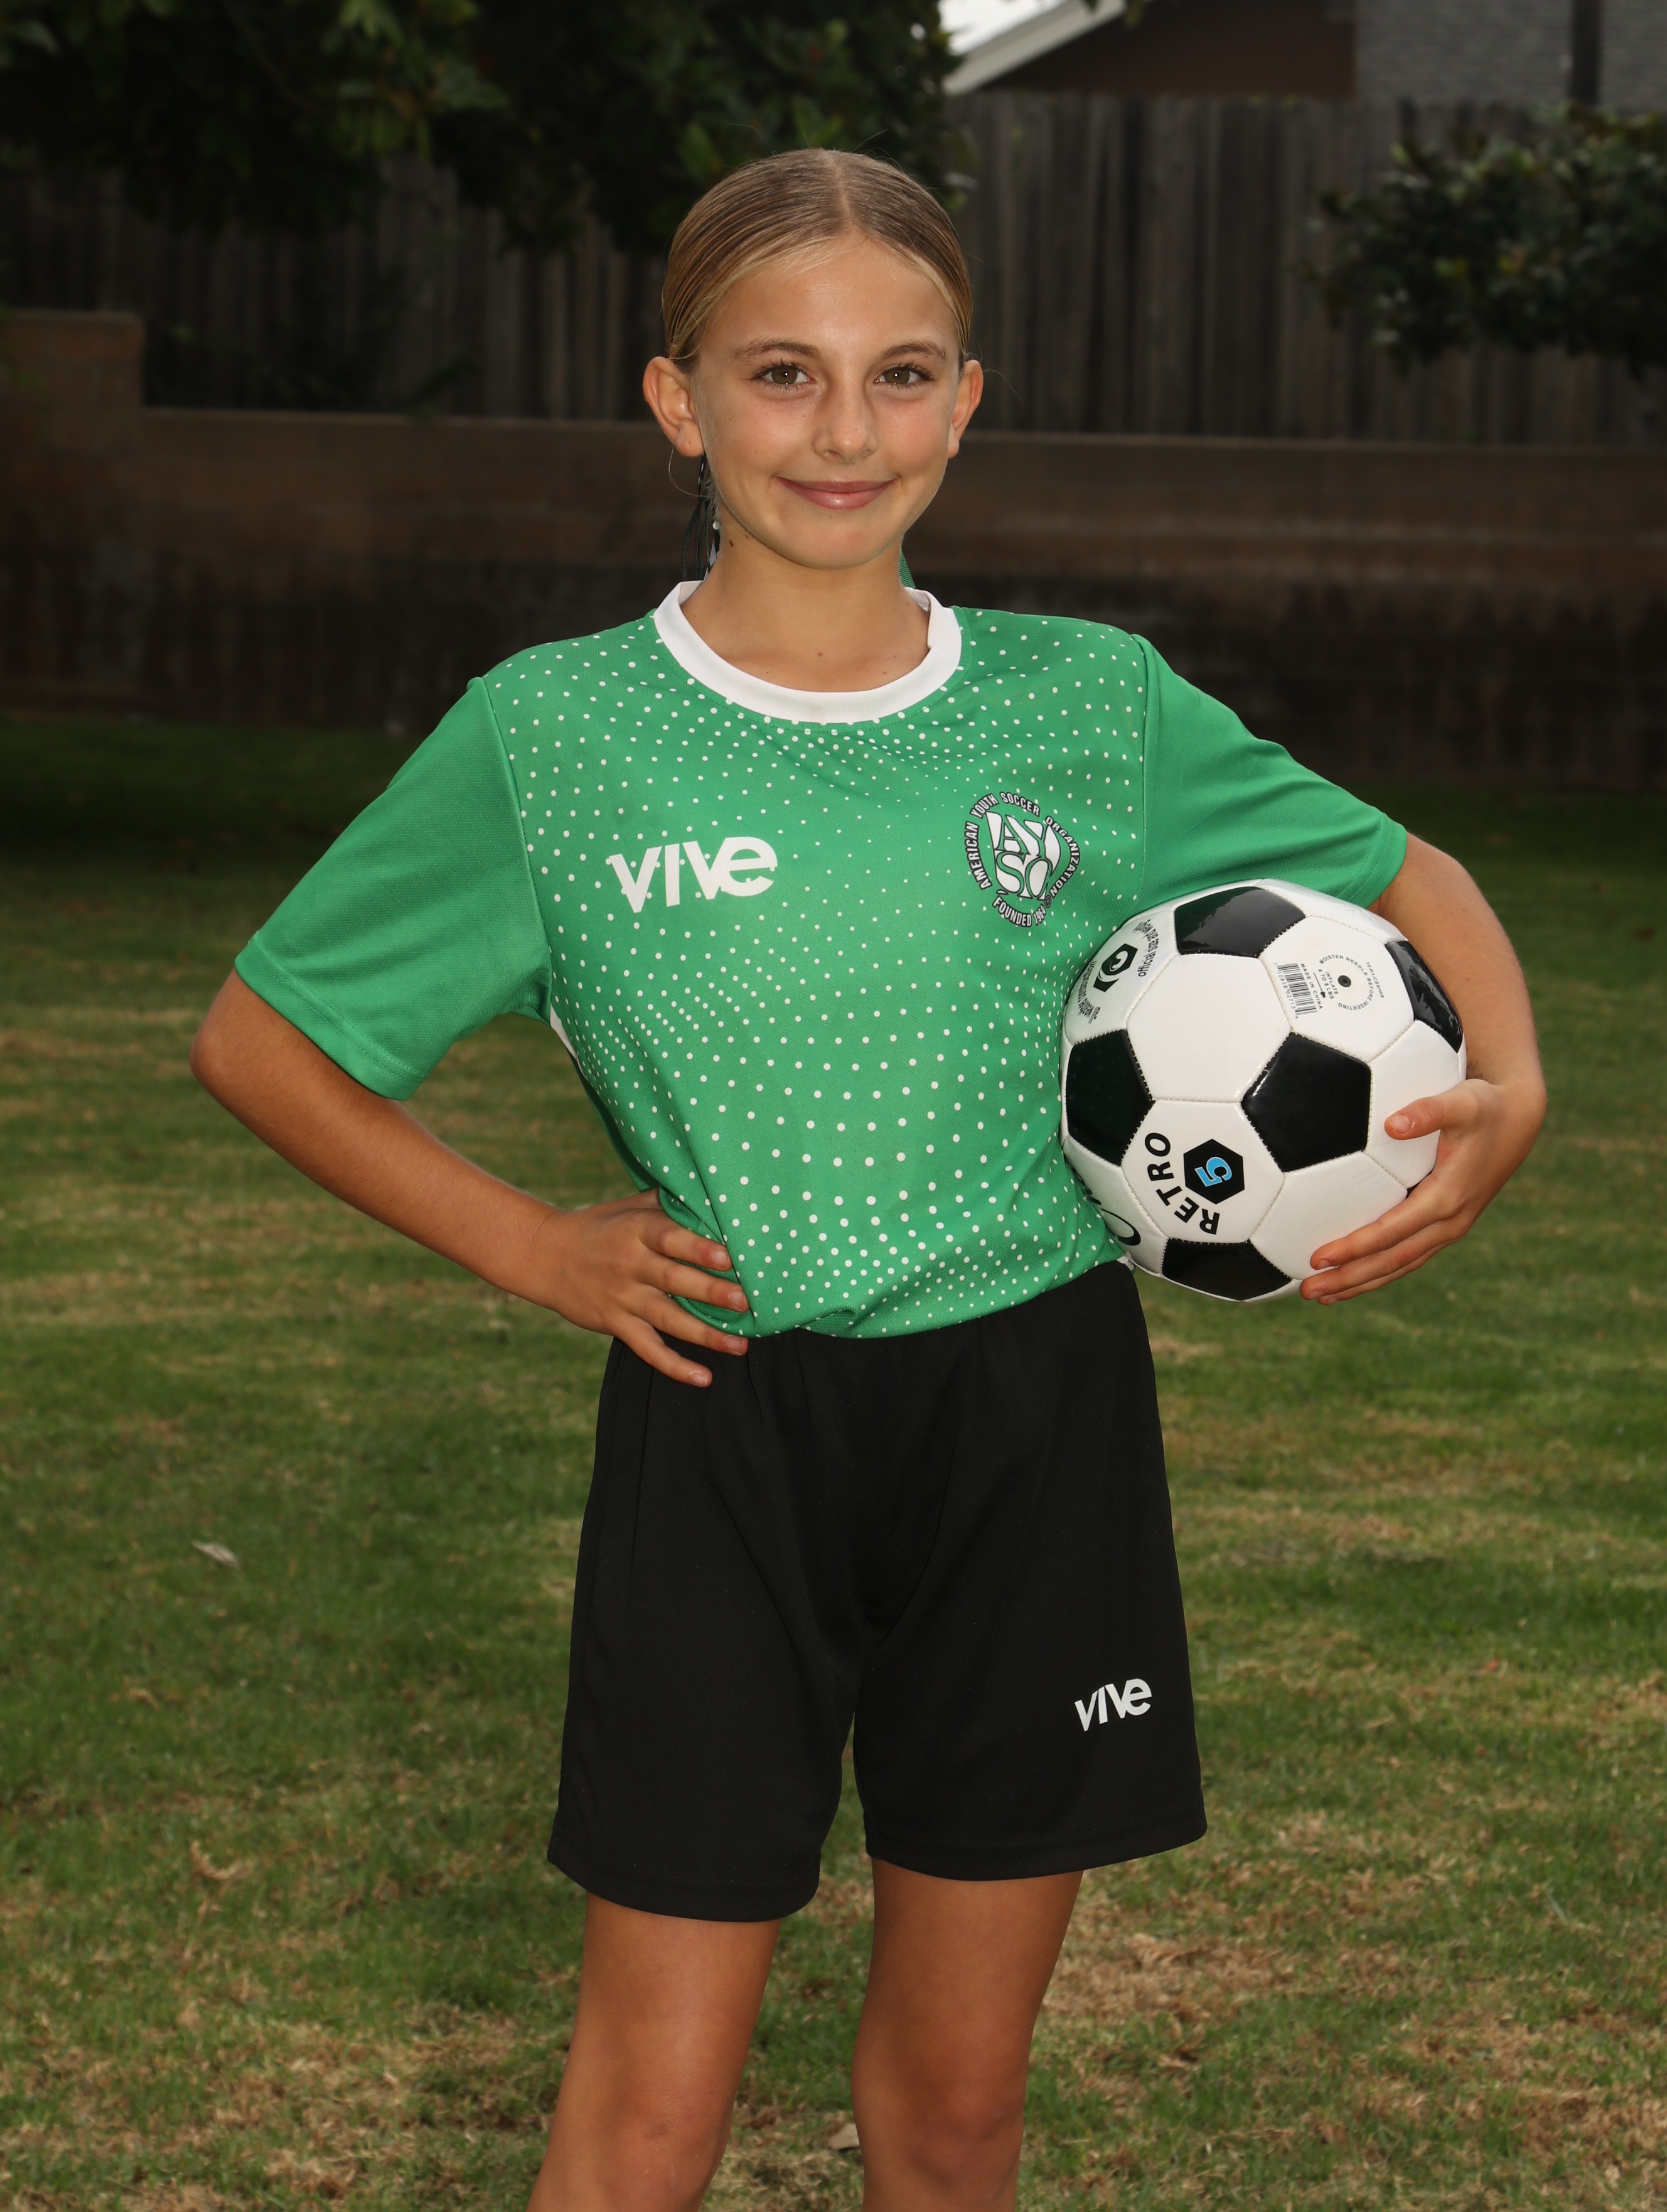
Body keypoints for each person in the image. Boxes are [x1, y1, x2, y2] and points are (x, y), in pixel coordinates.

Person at [190, 150, 1546, 2212]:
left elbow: (1410, 874)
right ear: (679, 402)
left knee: (959, 2106)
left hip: (1035, 1420)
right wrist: (533, 1245)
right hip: (727, 1417)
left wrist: (1511, 1081)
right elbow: (262, 1038)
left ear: (966, 402)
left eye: (901, 374)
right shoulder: (554, 737)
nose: (845, 431)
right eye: (783, 374)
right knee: (650, 2115)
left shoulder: (1088, 704)